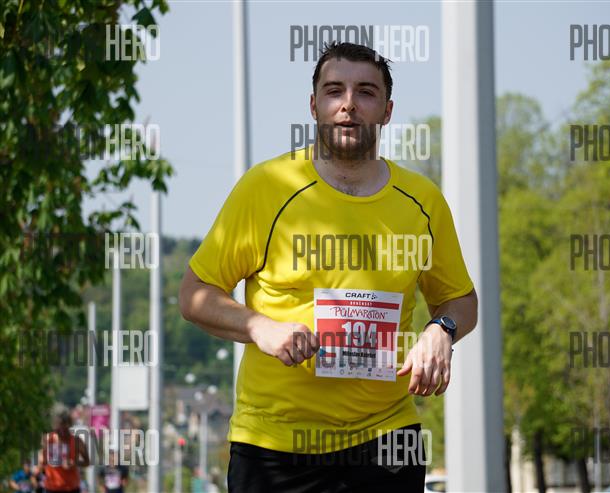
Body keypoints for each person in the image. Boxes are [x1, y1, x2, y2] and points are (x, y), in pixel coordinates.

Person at [179, 41, 477, 492]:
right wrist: (260, 327)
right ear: (313, 105)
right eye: (334, 90)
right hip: (276, 447)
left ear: (387, 111)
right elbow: (194, 295)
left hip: (386, 441)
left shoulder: (422, 201)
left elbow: (461, 299)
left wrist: (443, 329)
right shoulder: (267, 186)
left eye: (366, 92)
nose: (348, 105)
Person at [39, 407, 90, 493]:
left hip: (71, 488)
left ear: (69, 425)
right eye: (58, 427)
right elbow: (42, 462)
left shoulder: (77, 441)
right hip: (51, 488)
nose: (61, 430)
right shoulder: (47, 439)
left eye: (64, 427)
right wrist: (42, 460)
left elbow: (87, 462)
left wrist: (73, 463)